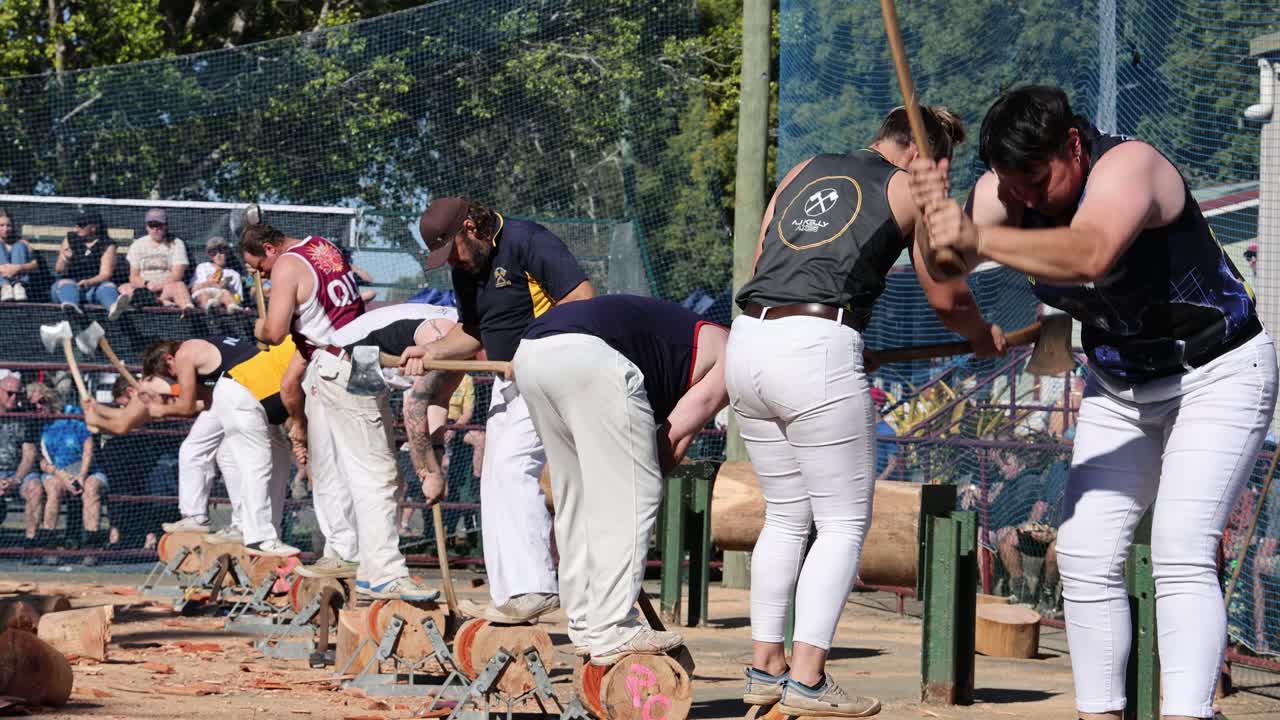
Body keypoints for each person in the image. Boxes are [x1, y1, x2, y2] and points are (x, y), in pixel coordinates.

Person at [910, 84, 1277, 720]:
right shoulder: (1003, 193)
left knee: (1180, 547)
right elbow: (947, 269)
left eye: (1036, 176)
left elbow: (1089, 253)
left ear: (1072, 145)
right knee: (1083, 552)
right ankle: (1098, 713)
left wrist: (974, 237)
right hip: (1121, 384)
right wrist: (929, 220)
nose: (1023, 193)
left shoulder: (1129, 168)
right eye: (1009, 180)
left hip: (1218, 371)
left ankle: (1191, 713)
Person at [728, 105, 1001, 717]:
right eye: (945, 165)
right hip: (818, 343)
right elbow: (947, 294)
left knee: (787, 515)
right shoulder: (913, 184)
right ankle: (807, 678)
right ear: (921, 154)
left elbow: (760, 267)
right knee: (844, 522)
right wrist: (982, 335)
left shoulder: (804, 169)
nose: (945, 178)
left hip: (749, 340)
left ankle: (764, 668)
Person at [401, 196, 595, 623]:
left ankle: (534, 588)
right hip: (514, 383)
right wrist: (429, 351)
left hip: (555, 371)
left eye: (451, 250)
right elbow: (471, 332)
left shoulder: (528, 239)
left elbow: (581, 298)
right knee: (495, 475)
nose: (450, 261)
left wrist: (534, 350)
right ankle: (512, 595)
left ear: (470, 227)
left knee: (511, 467)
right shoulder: (467, 268)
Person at [514, 294, 729, 666]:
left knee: (576, 494)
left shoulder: (702, 339)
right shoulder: (737, 355)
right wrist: (638, 478)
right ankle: (613, 627)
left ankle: (585, 623)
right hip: (588, 357)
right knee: (636, 495)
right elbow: (672, 439)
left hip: (533, 353)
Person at [241, 219, 436, 600]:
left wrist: (259, 327)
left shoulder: (285, 265)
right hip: (343, 357)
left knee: (370, 468)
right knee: (330, 463)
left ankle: (375, 565)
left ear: (269, 248)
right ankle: (343, 551)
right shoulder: (323, 246)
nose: (262, 274)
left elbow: (277, 331)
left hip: (337, 359)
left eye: (259, 266)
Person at [138, 336, 301, 557]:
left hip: (245, 391)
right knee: (232, 457)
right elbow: (206, 401)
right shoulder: (203, 350)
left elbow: (187, 407)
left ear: (169, 358)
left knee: (258, 463)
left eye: (171, 374)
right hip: (246, 391)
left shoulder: (185, 353)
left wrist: (157, 410)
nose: (175, 378)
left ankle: (246, 529)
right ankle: (247, 528)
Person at [326, 301, 467, 536]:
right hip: (349, 362)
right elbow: (415, 406)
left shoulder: (463, 343)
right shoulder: (445, 338)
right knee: (379, 474)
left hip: (368, 366)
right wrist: (428, 473)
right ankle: (359, 557)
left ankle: (366, 557)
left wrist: (437, 455)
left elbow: (439, 401)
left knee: (385, 476)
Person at [90, 376, 181, 550]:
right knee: (117, 475)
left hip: (155, 456)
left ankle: (150, 535)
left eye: (123, 403)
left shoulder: (152, 401)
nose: (122, 408)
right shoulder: (129, 412)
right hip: (127, 462)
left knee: (150, 482)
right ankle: (116, 532)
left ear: (131, 393)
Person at [36, 389, 110, 563]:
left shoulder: (74, 414)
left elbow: (88, 448)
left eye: (41, 402)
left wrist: (82, 476)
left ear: (50, 400)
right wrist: (61, 475)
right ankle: (49, 547)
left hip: (86, 468)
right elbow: (40, 459)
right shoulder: (37, 422)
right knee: (53, 489)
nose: (37, 407)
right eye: (34, 404)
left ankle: (90, 548)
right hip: (57, 470)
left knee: (91, 489)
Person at [113, 208, 194, 319]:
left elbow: (177, 274)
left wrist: (159, 285)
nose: (156, 229)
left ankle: (188, 310)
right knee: (124, 288)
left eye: (159, 225)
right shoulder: (138, 245)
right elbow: (134, 276)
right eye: (152, 225)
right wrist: (147, 284)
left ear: (166, 225)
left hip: (167, 288)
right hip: (144, 290)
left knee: (179, 285)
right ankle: (157, 302)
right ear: (146, 227)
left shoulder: (177, 243)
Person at [0, 373, 45, 546]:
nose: (14, 398)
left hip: (19, 471)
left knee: (35, 488)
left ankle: (31, 542)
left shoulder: (26, 418)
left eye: (18, 394)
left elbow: (29, 455)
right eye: (9, 393)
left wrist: (15, 479)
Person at [52, 210, 120, 316]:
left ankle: (113, 308)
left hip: (93, 288)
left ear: (94, 227)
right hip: (67, 288)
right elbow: (59, 270)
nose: (77, 228)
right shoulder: (70, 238)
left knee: (108, 286)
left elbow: (105, 274)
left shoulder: (107, 244)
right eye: (77, 224)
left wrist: (89, 282)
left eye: (82, 225)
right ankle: (71, 306)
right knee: (66, 284)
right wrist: (66, 259)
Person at [190, 236, 245, 314]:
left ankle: (232, 309)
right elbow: (193, 289)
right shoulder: (202, 267)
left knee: (226, 294)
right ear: (209, 255)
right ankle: (210, 310)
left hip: (221, 296)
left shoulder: (234, 274)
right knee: (204, 295)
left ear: (227, 252)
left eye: (221, 251)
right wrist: (210, 283)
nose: (218, 255)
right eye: (213, 253)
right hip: (203, 294)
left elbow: (239, 298)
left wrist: (227, 287)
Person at [0, 208, 36, 302]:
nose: (5, 229)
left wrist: (19, 267)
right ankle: (5, 286)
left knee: (19, 245)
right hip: (1, 286)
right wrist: (2, 268)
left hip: (20, 287)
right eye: (1, 225)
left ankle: (17, 286)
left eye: (8, 225)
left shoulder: (21, 243)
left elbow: (35, 264)